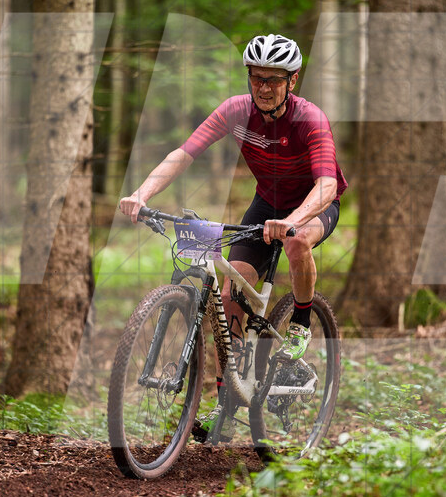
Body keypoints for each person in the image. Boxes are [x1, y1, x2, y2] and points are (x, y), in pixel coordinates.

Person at [118, 33, 347, 440]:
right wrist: (141, 194)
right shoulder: (236, 110)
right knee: (227, 297)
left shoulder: (309, 119)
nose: (263, 87)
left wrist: (293, 220)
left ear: (292, 82)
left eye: (274, 80)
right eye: (257, 77)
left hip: (313, 205)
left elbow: (327, 186)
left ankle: (300, 325)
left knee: (296, 243)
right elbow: (183, 154)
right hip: (265, 205)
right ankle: (226, 401)